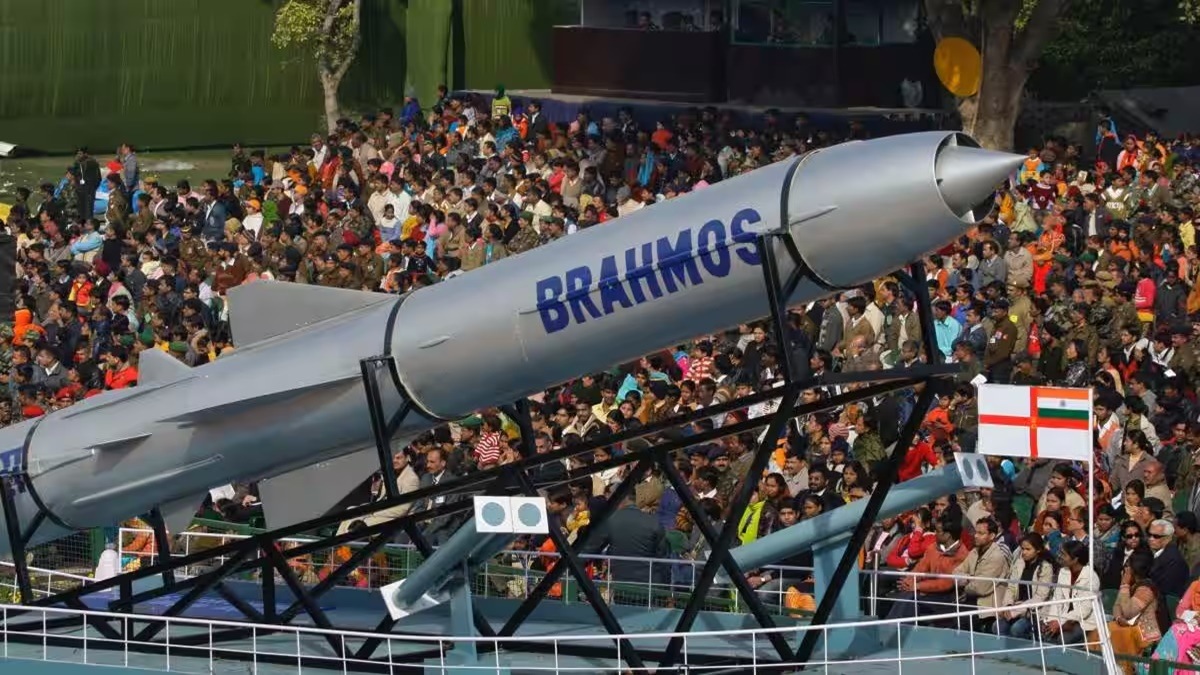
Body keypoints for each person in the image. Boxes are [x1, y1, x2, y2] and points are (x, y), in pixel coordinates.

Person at [1109, 547, 1168, 673]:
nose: (1125, 570)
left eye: (1127, 567)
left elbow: (1128, 612)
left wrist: (1124, 584)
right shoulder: (1133, 585)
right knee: (1107, 629)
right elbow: (1116, 607)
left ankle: (1123, 670)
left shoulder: (1146, 589)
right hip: (1130, 627)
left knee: (1116, 633)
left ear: (1133, 570)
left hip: (1145, 633)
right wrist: (1119, 618)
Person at [995, 532, 1055, 639]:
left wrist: (1016, 610)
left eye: (1028, 549)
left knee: (1016, 629)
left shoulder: (1046, 568)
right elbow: (1011, 588)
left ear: (1038, 550)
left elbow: (1040, 597)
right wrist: (1007, 606)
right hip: (1015, 607)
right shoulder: (1019, 563)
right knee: (997, 626)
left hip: (1034, 611)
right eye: (1022, 549)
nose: (1024, 552)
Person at [1041, 540, 1099, 645]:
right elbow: (1057, 599)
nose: (1061, 557)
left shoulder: (1091, 577)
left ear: (1075, 559)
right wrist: (1052, 620)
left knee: (1063, 639)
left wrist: (1060, 622)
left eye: (1064, 555)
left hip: (1083, 621)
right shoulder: (1063, 571)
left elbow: (1084, 609)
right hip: (1064, 617)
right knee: (1045, 634)